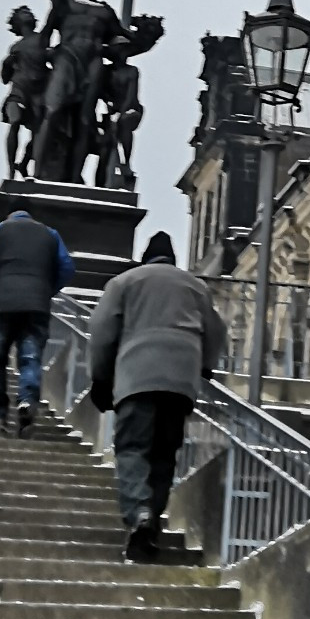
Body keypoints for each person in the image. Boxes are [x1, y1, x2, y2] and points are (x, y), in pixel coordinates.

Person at [88, 232, 226, 562]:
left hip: (137, 378)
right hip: (180, 382)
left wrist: (101, 378)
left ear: (145, 257)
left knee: (133, 448)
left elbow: (102, 331)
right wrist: (203, 368)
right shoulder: (195, 287)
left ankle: (139, 512)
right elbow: (216, 331)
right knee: (164, 454)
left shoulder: (124, 282)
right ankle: (151, 520)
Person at [0, 204, 74, 434]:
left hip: (0, 304)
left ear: (9, 215)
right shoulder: (51, 234)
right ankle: (27, 400)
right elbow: (66, 267)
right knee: (30, 356)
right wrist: (46, 290)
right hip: (36, 305)